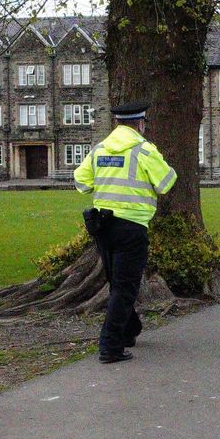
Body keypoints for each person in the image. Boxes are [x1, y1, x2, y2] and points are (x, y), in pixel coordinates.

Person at [73, 101, 178, 364]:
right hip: (132, 227)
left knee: (116, 282)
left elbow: (81, 182)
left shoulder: (100, 149)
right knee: (125, 287)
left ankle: (129, 331)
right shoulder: (144, 151)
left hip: (103, 227)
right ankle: (110, 347)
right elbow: (166, 183)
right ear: (140, 124)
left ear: (118, 123)